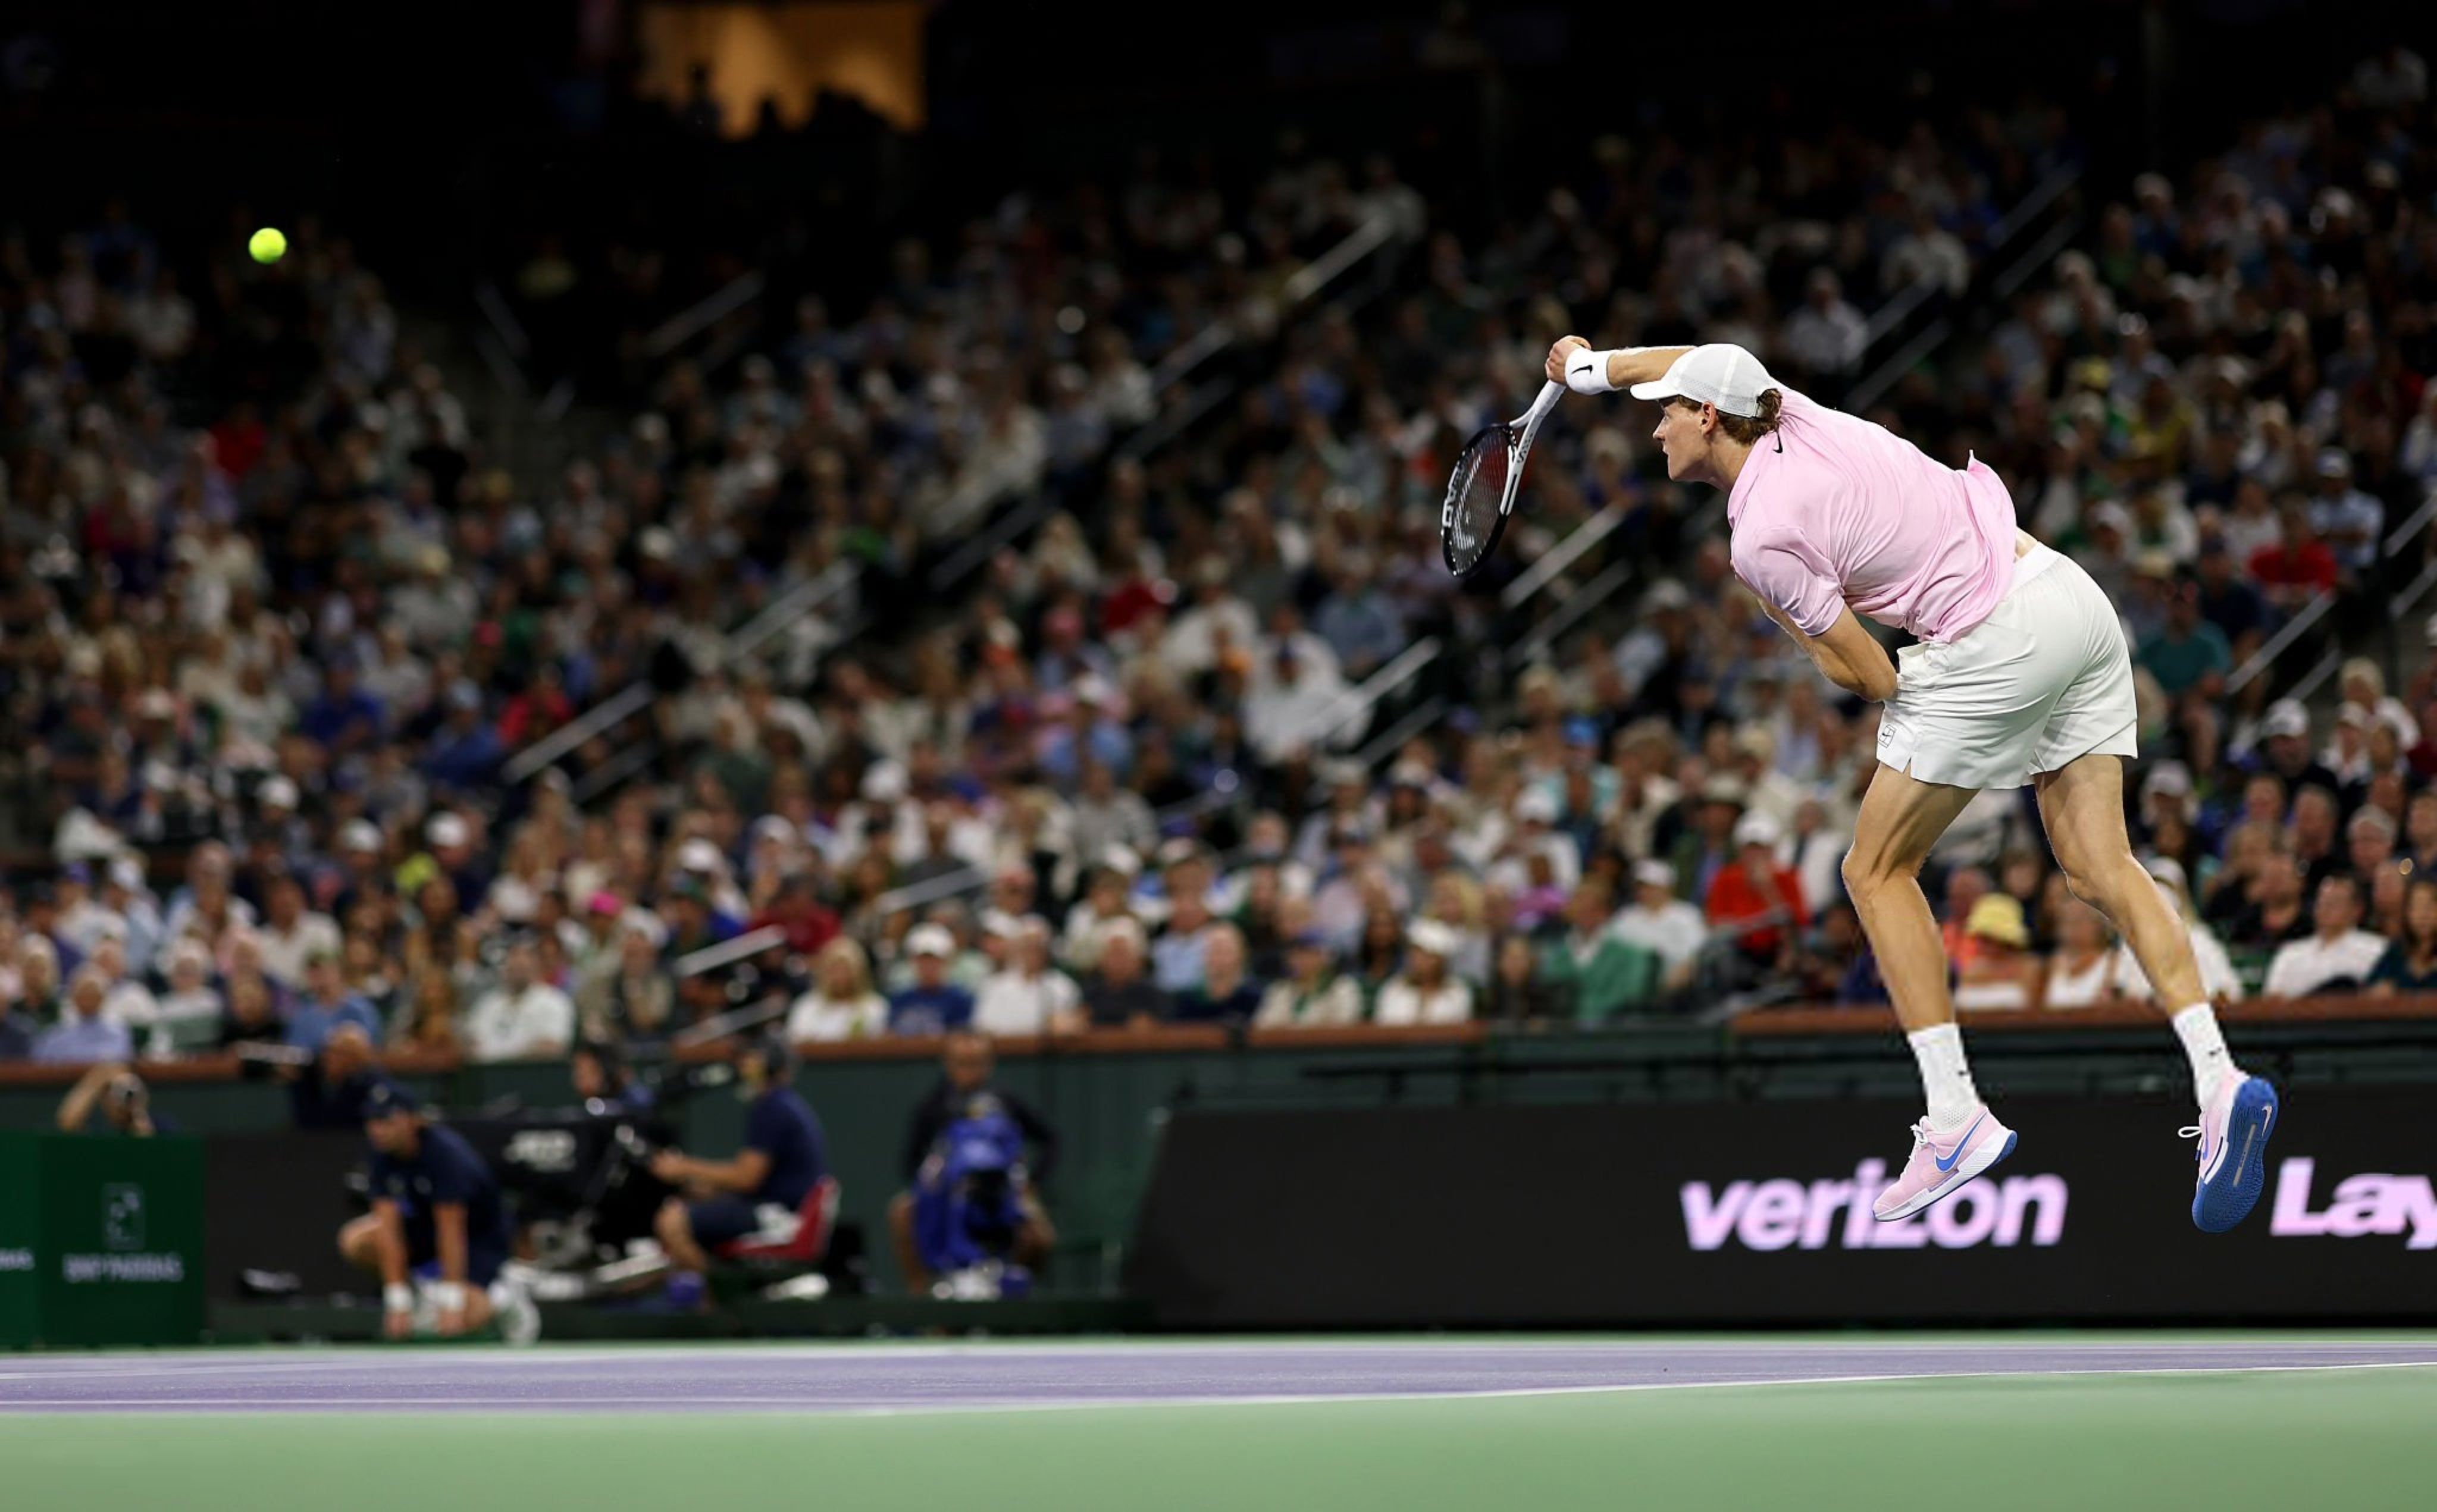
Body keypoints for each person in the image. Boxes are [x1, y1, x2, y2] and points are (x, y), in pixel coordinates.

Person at [1552, 334, 2275, 1231]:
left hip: (1990, 643)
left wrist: (1800, 628)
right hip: (2065, 593)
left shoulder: (1762, 536)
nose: (1653, 428)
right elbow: (1691, 355)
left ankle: (1954, 1115)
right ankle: (2218, 1075)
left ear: (1707, 416)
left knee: (1873, 869)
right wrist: (1587, 368)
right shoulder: (1785, 404)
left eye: (1666, 412)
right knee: (2100, 866)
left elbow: (1873, 677)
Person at [340, 1081, 537, 1343]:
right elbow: (389, 1230)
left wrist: (452, 1302)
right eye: (373, 1121)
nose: (378, 1130)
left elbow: (451, 1231)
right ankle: (421, 1297)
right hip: (427, 1230)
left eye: (387, 1121)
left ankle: (508, 1299)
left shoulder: (446, 1155)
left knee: (468, 1317)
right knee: (357, 1240)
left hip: (479, 1239)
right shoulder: (380, 1154)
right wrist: (398, 1303)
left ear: (414, 1120)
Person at [647, 1033, 828, 1310]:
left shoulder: (774, 1107)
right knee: (692, 1207)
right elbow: (755, 1178)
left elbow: (746, 1178)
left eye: (753, 1057)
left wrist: (683, 1167)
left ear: (772, 1064)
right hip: (771, 1207)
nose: (744, 1064)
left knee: (672, 1222)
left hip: (781, 1216)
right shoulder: (776, 1104)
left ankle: (720, 1305)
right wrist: (711, 1190)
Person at [888, 1033, 1058, 1295]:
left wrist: (1033, 1183)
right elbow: (909, 1162)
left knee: (1040, 1237)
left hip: (1004, 1193)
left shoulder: (1007, 1101)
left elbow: (1050, 1140)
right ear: (948, 1064)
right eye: (962, 1063)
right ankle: (924, 1301)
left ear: (989, 1064)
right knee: (901, 1212)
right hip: (946, 1195)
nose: (970, 1071)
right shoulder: (933, 1106)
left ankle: (1015, 1299)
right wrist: (934, 1185)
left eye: (977, 1062)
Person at [2261, 874, 2388, 999]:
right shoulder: (2290, 954)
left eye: (2335, 902)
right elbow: (2272, 1001)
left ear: (2357, 910)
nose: (2326, 907)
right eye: (2322, 901)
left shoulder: (2377, 951)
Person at [464, 936, 575, 1062]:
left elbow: (553, 1047)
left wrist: (504, 1057)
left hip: (533, 1075)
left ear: (536, 966)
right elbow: (472, 1044)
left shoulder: (555, 1001)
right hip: (488, 1076)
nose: (517, 965)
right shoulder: (487, 1004)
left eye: (523, 966)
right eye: (512, 962)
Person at [1254, 928, 1364, 1028]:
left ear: (1325, 957)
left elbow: (1344, 1023)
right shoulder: (1280, 990)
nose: (1301, 960)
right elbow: (1264, 1025)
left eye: (1309, 954)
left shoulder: (1342, 987)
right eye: (1296, 954)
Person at [785, 937, 889, 1042]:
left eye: (846, 970)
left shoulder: (875, 1007)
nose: (840, 976)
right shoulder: (807, 1007)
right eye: (834, 969)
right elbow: (796, 1041)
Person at [1374, 920, 1474, 1025]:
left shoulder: (1458, 992)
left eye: (1427, 955)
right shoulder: (1393, 989)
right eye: (1415, 953)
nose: (1419, 960)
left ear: (1442, 961)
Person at [887, 923, 976, 1035]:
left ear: (947, 961)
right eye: (923, 960)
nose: (928, 966)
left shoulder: (960, 999)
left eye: (934, 960)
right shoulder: (900, 999)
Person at [56, 1062, 177, 1135]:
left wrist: (138, 1113)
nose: (123, 1096)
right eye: (113, 1090)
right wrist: (94, 1082)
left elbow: (152, 1155)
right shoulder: (99, 1129)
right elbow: (67, 1126)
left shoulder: (162, 1126)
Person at [2368, 877, 2437, 995]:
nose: (2423, 915)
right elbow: (2370, 990)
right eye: (2416, 908)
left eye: (2430, 907)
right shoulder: (2397, 952)